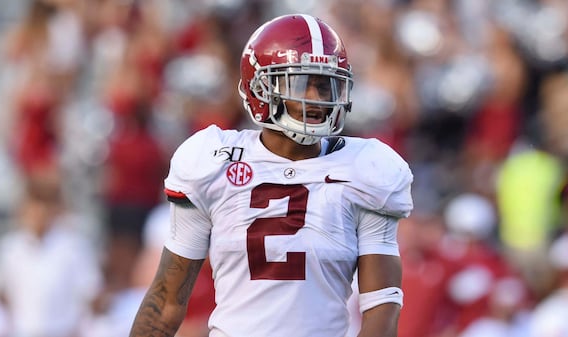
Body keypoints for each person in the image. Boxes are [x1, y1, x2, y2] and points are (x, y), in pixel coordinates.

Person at [129, 13, 414, 337]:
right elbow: (166, 302)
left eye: (326, 85)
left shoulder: (367, 170)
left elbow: (381, 313)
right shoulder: (212, 161)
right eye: (303, 83)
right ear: (261, 87)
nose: (318, 99)